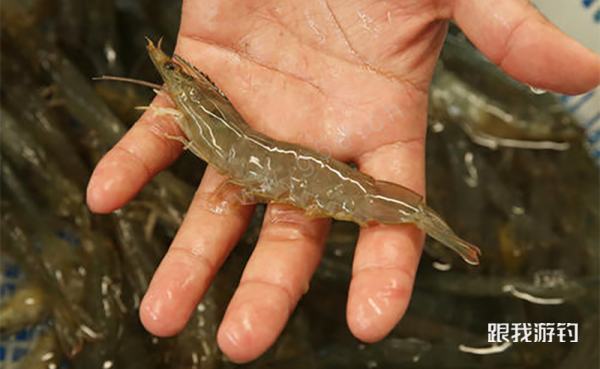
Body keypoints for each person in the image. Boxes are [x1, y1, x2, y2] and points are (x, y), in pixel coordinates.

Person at [87, 0, 600, 363]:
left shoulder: (226, 145)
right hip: (273, 163)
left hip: (315, 179)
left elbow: (234, 156)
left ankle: (432, 225)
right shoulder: (222, 132)